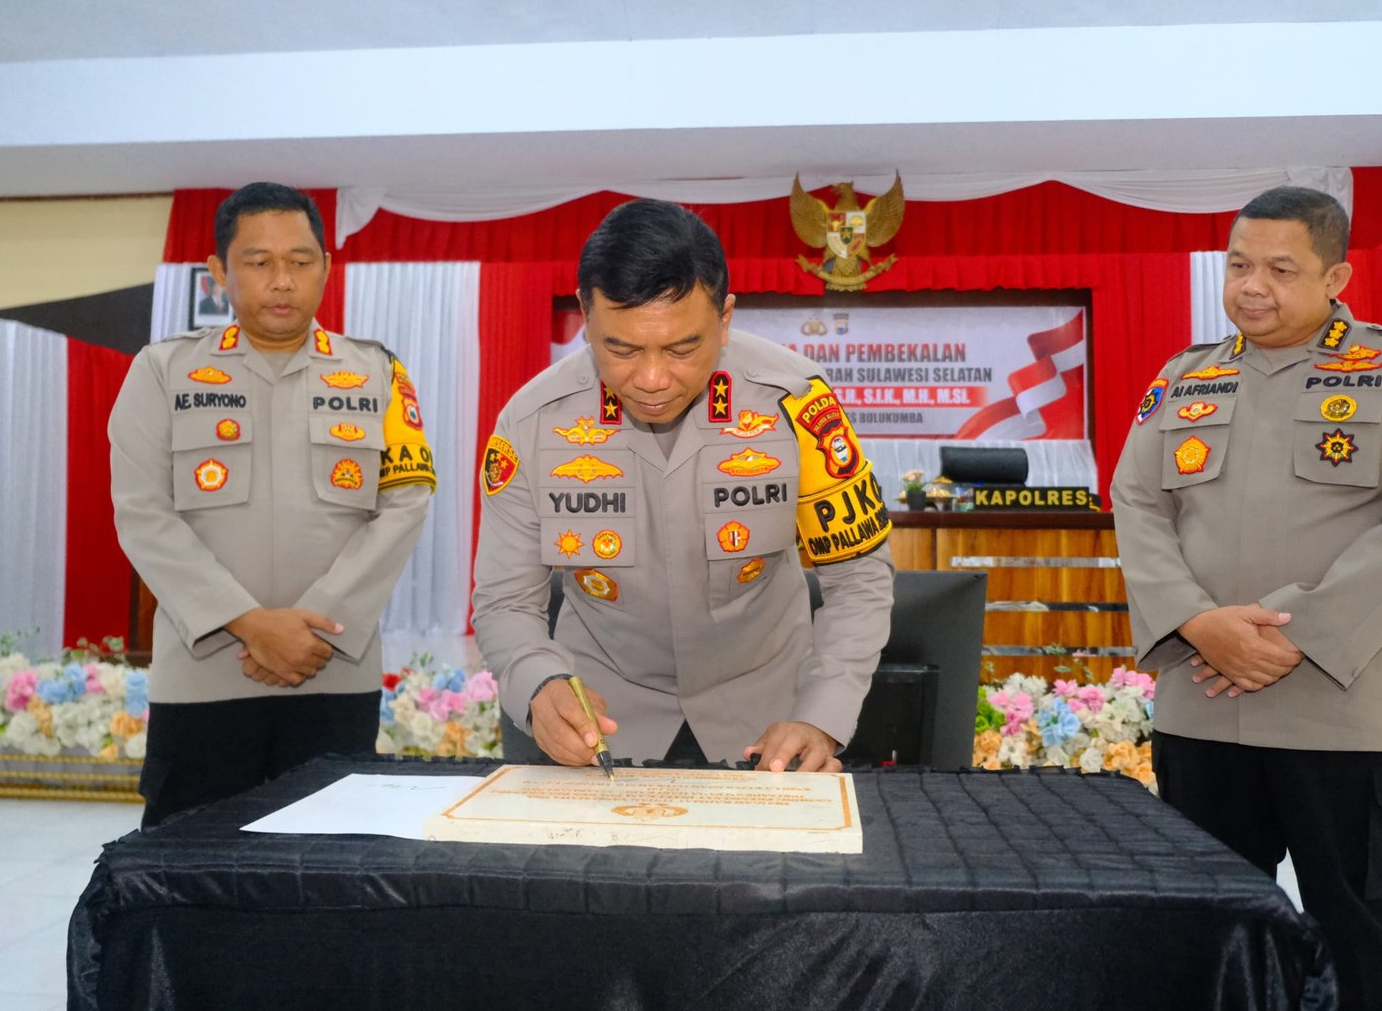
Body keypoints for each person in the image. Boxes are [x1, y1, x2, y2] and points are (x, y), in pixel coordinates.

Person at [1111, 186, 1382, 1010]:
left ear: (1335, 277)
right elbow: (1136, 500)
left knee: (1363, 938)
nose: (1253, 286)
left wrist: (1295, 632)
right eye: (1239, 265)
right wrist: (1197, 622)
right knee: (1210, 936)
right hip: (1203, 707)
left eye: (1281, 269)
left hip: (1341, 714)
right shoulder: (1185, 376)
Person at [472, 199, 895, 772]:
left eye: (682, 348)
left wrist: (822, 716)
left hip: (769, 724)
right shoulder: (532, 422)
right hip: (600, 728)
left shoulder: (796, 402)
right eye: (620, 348)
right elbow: (505, 599)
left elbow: (859, 577)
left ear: (725, 319)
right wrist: (537, 682)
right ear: (585, 317)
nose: (651, 379)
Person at [110, 182, 437, 826]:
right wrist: (248, 623)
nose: (282, 280)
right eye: (259, 262)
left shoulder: (378, 373)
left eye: (300, 260)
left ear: (327, 266)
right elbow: (143, 513)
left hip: (331, 672)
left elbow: (404, 505)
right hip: (203, 677)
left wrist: (314, 626)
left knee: (327, 862)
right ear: (218, 272)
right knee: (192, 865)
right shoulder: (162, 372)